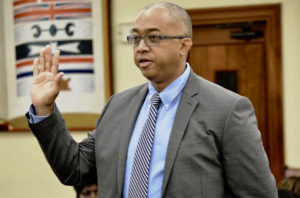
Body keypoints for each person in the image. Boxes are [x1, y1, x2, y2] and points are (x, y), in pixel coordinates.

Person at [26, 2, 278, 198]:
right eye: (135, 38)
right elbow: (75, 168)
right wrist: (44, 108)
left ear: (184, 46)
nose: (141, 47)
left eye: (154, 37)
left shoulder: (226, 109)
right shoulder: (118, 106)